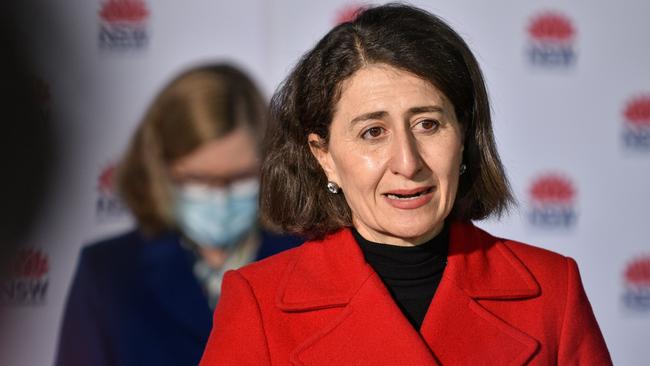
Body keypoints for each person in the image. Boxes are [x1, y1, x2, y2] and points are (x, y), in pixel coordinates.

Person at [199, 5, 612, 365]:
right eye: (373, 132)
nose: (408, 162)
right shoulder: (259, 302)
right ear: (324, 156)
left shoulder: (553, 290)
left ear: (464, 137)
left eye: (427, 124)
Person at [55, 63, 301, 366]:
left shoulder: (307, 262)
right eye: (197, 179)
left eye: (239, 177)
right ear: (160, 170)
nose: (220, 196)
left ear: (269, 166)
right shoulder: (108, 273)